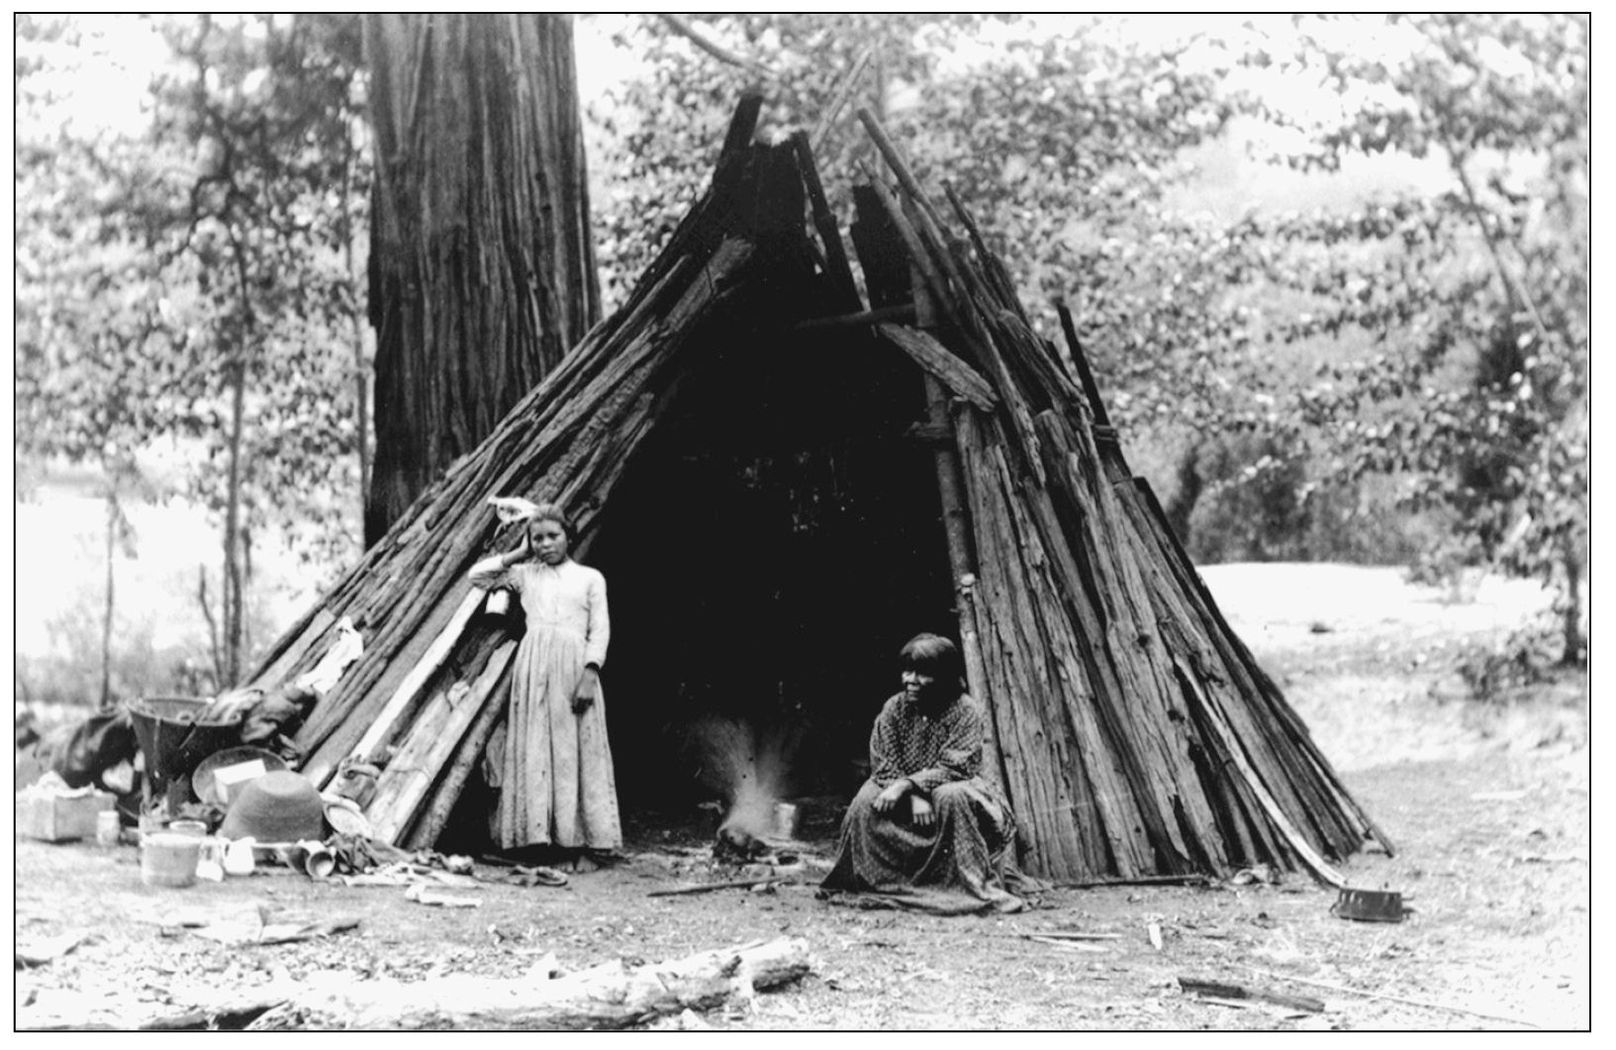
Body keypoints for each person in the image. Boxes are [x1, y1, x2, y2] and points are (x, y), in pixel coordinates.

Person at [821, 633, 1028, 914]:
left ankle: (959, 886)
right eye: (907, 671)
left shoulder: (965, 711)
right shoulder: (895, 708)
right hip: (901, 787)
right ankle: (879, 882)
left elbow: (957, 767)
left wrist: (912, 787)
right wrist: (912, 795)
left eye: (922, 674)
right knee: (866, 799)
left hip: (955, 786)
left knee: (950, 797)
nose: (910, 680)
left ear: (944, 676)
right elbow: (883, 763)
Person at [468, 501, 621, 858]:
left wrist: (590, 673)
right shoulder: (525, 575)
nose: (545, 544)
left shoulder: (590, 578)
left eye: (553, 536)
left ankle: (577, 838)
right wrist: (517, 554)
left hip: (573, 665)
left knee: (573, 746)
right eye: (537, 538)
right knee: (536, 744)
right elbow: (477, 577)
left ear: (569, 537)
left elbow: (599, 630)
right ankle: (539, 838)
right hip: (534, 666)